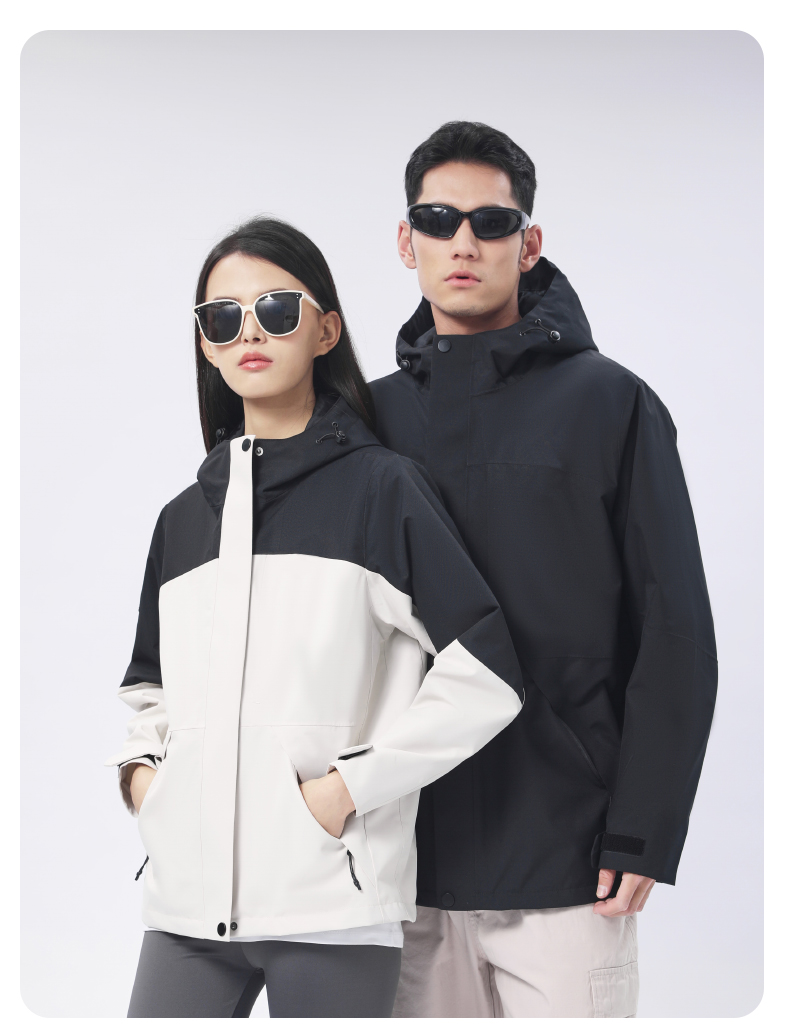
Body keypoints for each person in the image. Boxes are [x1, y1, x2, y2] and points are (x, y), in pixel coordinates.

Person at [105, 216, 525, 1018]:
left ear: (325, 329)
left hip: (332, 903)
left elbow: (487, 673)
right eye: (223, 317)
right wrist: (143, 781)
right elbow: (149, 687)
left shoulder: (381, 490)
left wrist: (346, 792)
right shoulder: (183, 519)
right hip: (186, 903)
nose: (249, 332)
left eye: (276, 309)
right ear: (206, 345)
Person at [369, 121, 718, 1018]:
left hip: (570, 866)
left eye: (491, 222)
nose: (463, 243)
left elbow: (674, 626)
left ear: (528, 244)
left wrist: (643, 830)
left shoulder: (612, 404)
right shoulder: (367, 420)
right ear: (406, 239)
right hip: (403, 865)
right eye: (438, 220)